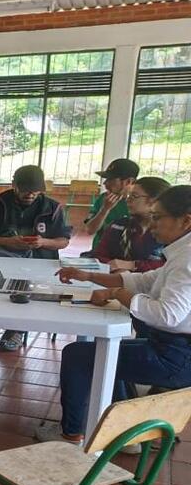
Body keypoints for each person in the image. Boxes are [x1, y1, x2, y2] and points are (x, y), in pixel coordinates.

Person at [39, 185, 191, 444]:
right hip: (171, 348)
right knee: (108, 349)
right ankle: (124, 431)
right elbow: (145, 281)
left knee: (77, 356)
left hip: (175, 355)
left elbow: (167, 314)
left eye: (158, 218)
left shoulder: (186, 261)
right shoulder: (180, 254)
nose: (152, 225)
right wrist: (89, 276)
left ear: (186, 220)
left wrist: (117, 293)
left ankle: (71, 434)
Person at [0, 164, 71, 352]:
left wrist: (43, 242)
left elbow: (63, 241)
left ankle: (15, 330)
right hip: (0, 259)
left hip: (38, 261)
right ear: (13, 185)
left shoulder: (53, 208)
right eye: (25, 191)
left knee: (24, 291)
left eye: (35, 191)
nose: (30, 195)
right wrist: (8, 242)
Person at [91, 176, 170, 273]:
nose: (127, 200)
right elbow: (99, 255)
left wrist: (133, 265)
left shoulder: (170, 232)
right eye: (128, 196)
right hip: (114, 281)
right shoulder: (118, 226)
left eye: (134, 196)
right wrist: (118, 270)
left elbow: (171, 264)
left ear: (154, 200)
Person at [84, 158, 139, 250]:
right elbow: (90, 230)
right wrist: (105, 209)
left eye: (111, 179)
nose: (105, 183)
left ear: (129, 181)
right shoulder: (103, 199)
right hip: (100, 252)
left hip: (127, 255)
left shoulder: (140, 203)